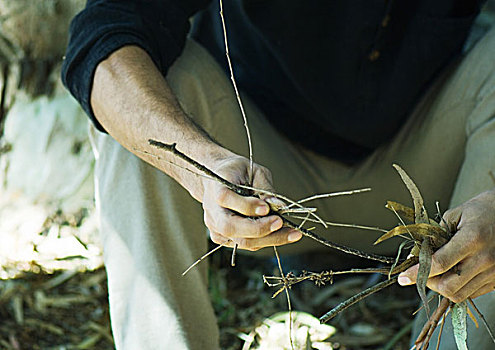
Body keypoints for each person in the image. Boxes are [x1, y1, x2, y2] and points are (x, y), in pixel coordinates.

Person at [62, 0, 495, 348]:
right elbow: (104, 32)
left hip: (438, 186)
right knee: (141, 90)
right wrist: (202, 168)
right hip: (257, 182)